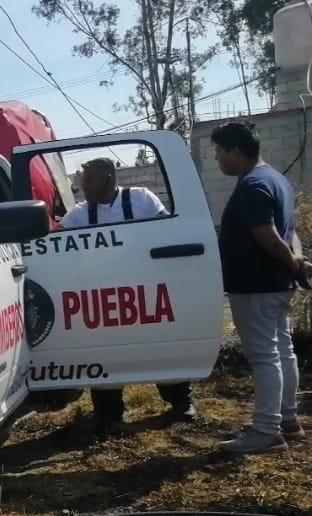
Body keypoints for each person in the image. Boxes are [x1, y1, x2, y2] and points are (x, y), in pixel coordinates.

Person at [58, 157, 197, 435]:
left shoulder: (142, 199)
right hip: (104, 298)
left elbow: (165, 231)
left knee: (162, 347)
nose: (83, 188)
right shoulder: (78, 215)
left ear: (108, 177)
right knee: (104, 355)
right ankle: (108, 415)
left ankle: (181, 401)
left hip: (145, 292)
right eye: (82, 182)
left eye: (90, 181)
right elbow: (56, 248)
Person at [213, 121, 307, 453]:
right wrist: (295, 263)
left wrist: (293, 263)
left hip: (256, 285)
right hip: (276, 283)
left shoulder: (252, 185)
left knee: (265, 356)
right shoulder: (276, 179)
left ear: (235, 152)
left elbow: (267, 235)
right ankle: (287, 420)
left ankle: (266, 430)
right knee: (283, 351)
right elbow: (290, 232)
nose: (217, 159)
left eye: (219, 152)